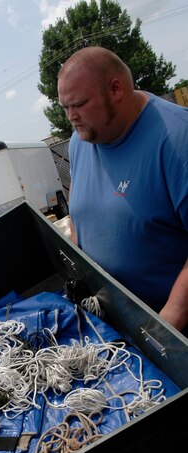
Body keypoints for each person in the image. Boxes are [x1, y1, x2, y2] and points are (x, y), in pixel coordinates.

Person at [57, 46, 188, 333]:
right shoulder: (80, 141)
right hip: (114, 322)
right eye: (65, 107)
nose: (71, 116)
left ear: (115, 89)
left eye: (78, 104)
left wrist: (169, 325)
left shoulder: (178, 137)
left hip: (169, 328)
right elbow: (79, 213)